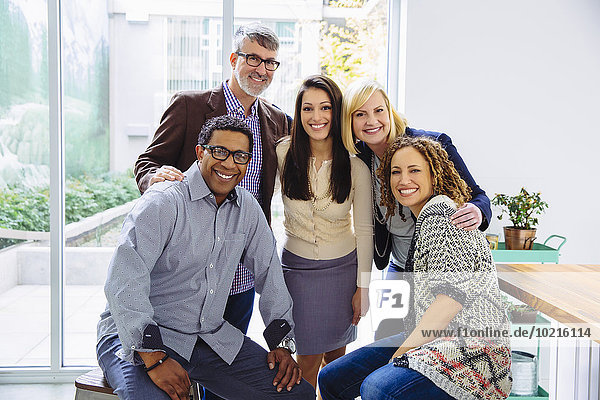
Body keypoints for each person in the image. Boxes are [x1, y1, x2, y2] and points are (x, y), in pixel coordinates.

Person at [97, 116, 315, 400]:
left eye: (240, 156)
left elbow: (270, 273)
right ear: (200, 153)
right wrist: (154, 357)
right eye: (220, 152)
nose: (229, 164)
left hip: (208, 337)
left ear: (248, 162)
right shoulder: (163, 202)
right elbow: (123, 281)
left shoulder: (247, 208)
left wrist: (281, 342)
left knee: (296, 395)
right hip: (139, 337)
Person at [134, 23, 288, 398]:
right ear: (234, 60)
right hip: (188, 268)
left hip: (239, 271)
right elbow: (147, 161)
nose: (261, 69)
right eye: (252, 58)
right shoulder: (190, 105)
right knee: (182, 375)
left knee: (222, 376)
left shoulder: (277, 120)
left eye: (270, 62)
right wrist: (156, 177)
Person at [318, 136, 512, 400]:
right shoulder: (421, 219)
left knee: (378, 387)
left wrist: (398, 358)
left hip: (471, 351)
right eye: (395, 172)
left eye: (414, 170)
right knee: (331, 377)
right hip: (433, 337)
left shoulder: (442, 216)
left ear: (435, 175)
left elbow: (450, 301)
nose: (403, 180)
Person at [275, 75, 373, 391]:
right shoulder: (283, 153)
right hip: (297, 272)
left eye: (325, 107)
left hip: (342, 272)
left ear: (336, 111)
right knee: (305, 365)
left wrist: (363, 288)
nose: (316, 117)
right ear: (298, 112)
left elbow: (366, 230)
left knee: (336, 361)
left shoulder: (355, 164)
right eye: (308, 109)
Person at [341, 79, 492, 274]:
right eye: (360, 114)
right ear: (349, 121)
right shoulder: (360, 158)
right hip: (399, 264)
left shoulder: (434, 146)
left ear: (389, 111)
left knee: (439, 306)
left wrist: (478, 210)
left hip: (439, 266)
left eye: (378, 110)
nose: (372, 121)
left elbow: (479, 197)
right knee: (387, 306)